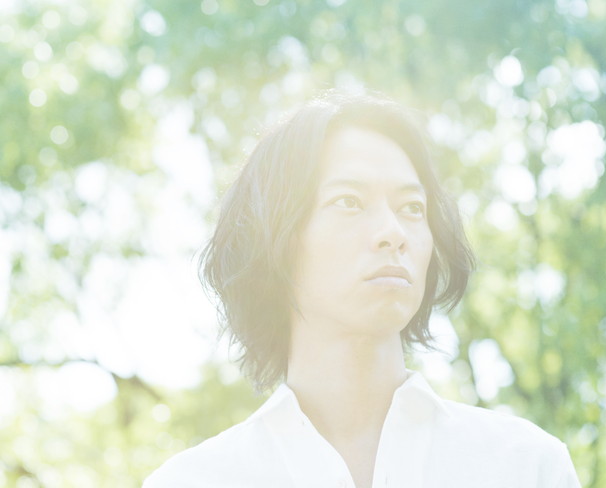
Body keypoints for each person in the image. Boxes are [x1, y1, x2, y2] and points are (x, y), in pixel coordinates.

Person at [143, 92, 581, 487]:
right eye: (349, 202)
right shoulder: (191, 481)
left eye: (412, 208)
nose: (393, 232)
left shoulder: (528, 466)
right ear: (274, 238)